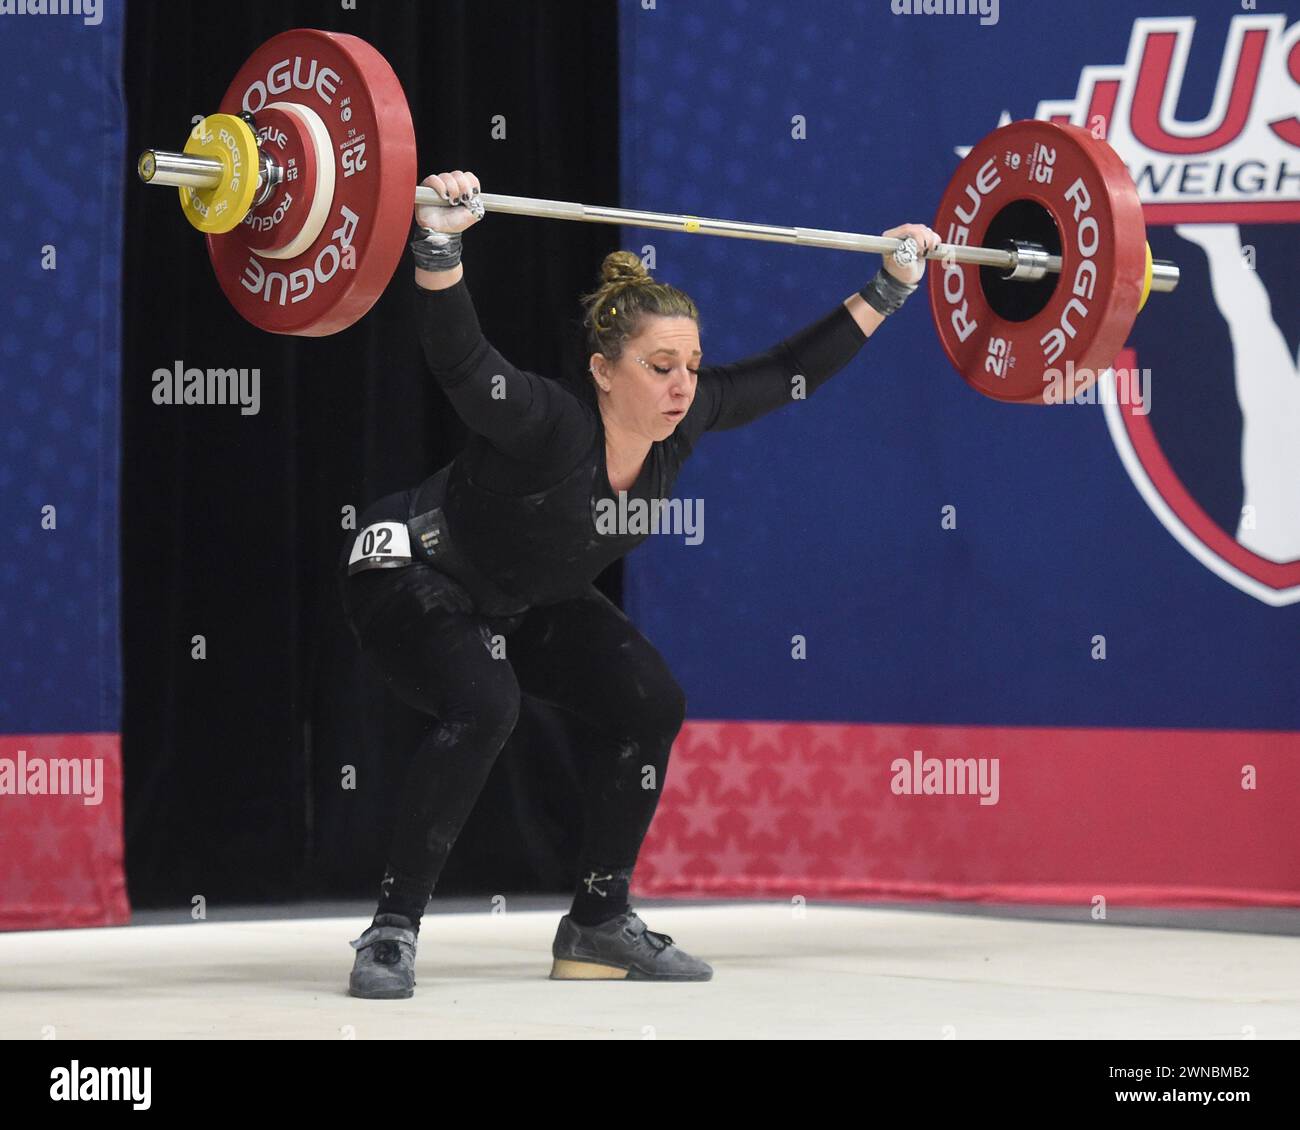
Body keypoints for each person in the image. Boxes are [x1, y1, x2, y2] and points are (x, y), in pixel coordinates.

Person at [338, 168, 941, 998]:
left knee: (649, 701)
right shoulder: (549, 421)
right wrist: (438, 241)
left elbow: (787, 372)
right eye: (661, 367)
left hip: (522, 597)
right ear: (602, 369)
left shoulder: (680, 423)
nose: (683, 385)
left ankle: (597, 922)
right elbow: (461, 361)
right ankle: (392, 931)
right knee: (486, 704)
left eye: (691, 365)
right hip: (413, 572)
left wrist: (891, 285)